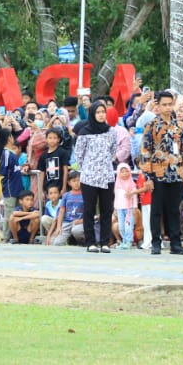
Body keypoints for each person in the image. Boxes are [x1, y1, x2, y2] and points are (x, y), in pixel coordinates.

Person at [139, 91, 183, 255]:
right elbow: (145, 151)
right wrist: (148, 176)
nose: (168, 108)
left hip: (175, 173)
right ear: (158, 106)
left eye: (170, 104)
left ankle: (176, 243)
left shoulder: (180, 126)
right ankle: (156, 242)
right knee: (156, 209)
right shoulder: (152, 126)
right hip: (157, 173)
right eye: (164, 105)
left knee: (174, 209)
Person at [72, 101, 117, 253]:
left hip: (106, 175)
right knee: (89, 209)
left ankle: (105, 242)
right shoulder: (84, 132)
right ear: (92, 114)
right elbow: (79, 154)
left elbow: (113, 151)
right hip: (89, 176)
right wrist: (89, 166)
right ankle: (90, 242)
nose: (101, 115)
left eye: (103, 112)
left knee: (106, 209)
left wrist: (104, 163)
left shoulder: (111, 131)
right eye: (98, 112)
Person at [46, 171, 86, 246]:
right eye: (74, 181)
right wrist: (59, 227)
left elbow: (88, 211)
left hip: (79, 223)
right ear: (69, 183)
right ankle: (69, 239)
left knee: (77, 231)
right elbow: (61, 211)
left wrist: (81, 220)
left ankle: (81, 241)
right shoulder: (66, 195)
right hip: (66, 223)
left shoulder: (85, 194)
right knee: (56, 243)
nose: (76, 183)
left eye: (78, 180)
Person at [113, 163, 139, 249]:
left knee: (128, 226)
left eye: (126, 171)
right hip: (119, 209)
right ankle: (124, 240)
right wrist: (115, 208)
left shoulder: (132, 184)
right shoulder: (117, 185)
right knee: (121, 226)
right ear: (118, 173)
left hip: (129, 209)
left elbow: (134, 196)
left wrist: (135, 207)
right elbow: (116, 197)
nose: (125, 173)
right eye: (122, 172)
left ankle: (129, 241)